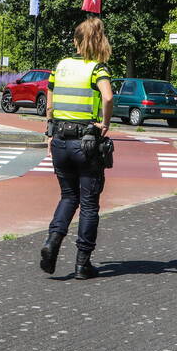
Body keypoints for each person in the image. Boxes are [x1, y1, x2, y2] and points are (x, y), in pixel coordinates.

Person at [39, 17, 114, 280]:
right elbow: (107, 96)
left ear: (76, 41)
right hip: (87, 142)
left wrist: (50, 129)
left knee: (68, 196)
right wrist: (104, 124)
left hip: (60, 138)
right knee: (90, 204)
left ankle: (52, 242)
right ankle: (82, 264)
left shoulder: (60, 67)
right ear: (100, 41)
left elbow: (49, 97)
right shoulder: (98, 69)